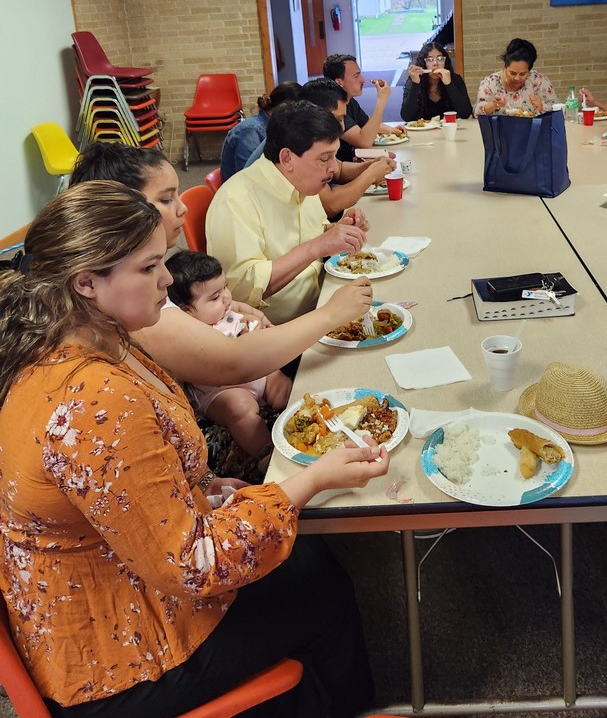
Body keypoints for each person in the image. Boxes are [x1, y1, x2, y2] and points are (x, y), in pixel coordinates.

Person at [0, 182, 388, 717]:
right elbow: (191, 566)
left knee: (303, 559)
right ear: (86, 282)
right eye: (149, 268)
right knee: (319, 583)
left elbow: (121, 487)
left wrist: (201, 487)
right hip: (114, 657)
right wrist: (311, 480)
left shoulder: (83, 340)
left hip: (112, 586)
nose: (167, 280)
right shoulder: (94, 399)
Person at [68, 141, 373, 477]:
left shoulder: (137, 285)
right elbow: (232, 362)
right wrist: (329, 314)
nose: (182, 209)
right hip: (198, 433)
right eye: (166, 199)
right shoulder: (133, 304)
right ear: (119, 211)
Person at [206, 100, 369, 324]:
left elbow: (310, 233)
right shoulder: (236, 200)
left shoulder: (304, 180)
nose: (333, 167)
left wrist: (337, 231)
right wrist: (318, 246)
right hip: (278, 329)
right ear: (287, 158)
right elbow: (241, 289)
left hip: (322, 302)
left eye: (335, 156)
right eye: (324, 158)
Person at [166, 250, 279, 459]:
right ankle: (266, 452)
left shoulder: (227, 307)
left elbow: (249, 312)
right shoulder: (192, 333)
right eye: (215, 297)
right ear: (186, 312)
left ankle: (296, 411)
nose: (226, 297)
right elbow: (221, 362)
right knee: (239, 409)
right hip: (222, 391)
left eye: (225, 287)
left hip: (256, 372)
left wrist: (261, 321)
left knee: (279, 379)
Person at [299, 78, 397, 214]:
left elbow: (339, 170)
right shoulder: (300, 147)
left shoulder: (320, 141)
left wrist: (371, 165)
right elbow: (330, 205)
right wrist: (371, 174)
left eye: (343, 119)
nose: (342, 127)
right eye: (338, 119)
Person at [322, 54, 400, 160]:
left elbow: (367, 123)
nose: (363, 80)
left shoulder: (349, 100)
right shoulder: (333, 107)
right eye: (356, 76)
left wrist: (393, 130)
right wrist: (381, 101)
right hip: (340, 166)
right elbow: (364, 141)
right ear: (339, 82)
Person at [219, 82, 300, 182]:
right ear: (284, 108)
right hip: (244, 187)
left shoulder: (277, 126)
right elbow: (248, 177)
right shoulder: (250, 130)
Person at [474, 38, 557, 116]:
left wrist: (541, 107)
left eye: (522, 74)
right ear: (505, 67)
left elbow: (558, 110)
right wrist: (493, 105)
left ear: (529, 71)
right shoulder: (489, 84)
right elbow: (476, 113)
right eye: (512, 73)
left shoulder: (539, 81)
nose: (517, 78)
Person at [400, 41, 472, 122]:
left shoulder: (455, 79)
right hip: (423, 129)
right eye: (430, 60)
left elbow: (465, 113)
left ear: (445, 62)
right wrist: (415, 84)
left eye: (440, 59)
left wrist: (449, 84)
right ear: (423, 64)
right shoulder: (414, 80)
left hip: (450, 127)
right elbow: (406, 117)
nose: (435, 63)